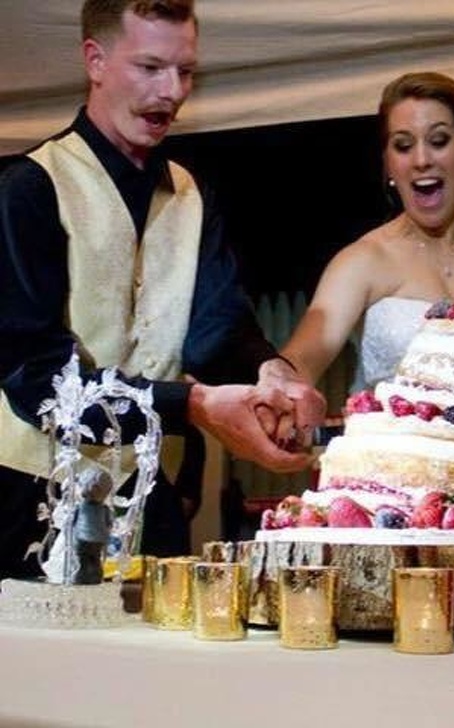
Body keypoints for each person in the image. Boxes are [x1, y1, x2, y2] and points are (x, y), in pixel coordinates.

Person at [0, 0, 325, 580]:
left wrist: (272, 372)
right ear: (95, 61)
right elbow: (39, 381)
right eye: (150, 68)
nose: (172, 92)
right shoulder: (29, 187)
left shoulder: (191, 194)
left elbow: (217, 331)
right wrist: (194, 405)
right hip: (31, 502)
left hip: (153, 500)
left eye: (185, 71)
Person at [280, 71, 454, 392]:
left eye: (438, 141)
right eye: (403, 145)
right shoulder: (363, 260)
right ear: (388, 164)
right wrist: (275, 385)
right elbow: (303, 359)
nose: (421, 160)